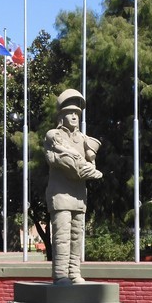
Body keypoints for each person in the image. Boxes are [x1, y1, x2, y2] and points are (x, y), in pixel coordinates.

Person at [44, 88, 102, 285]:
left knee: (77, 237)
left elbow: (92, 163)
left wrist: (91, 169)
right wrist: (70, 162)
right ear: (61, 115)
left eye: (77, 113)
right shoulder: (53, 135)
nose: (74, 116)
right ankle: (60, 274)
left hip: (78, 195)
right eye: (70, 112)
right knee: (62, 236)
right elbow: (53, 159)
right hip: (60, 194)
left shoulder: (84, 139)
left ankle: (74, 272)